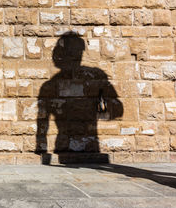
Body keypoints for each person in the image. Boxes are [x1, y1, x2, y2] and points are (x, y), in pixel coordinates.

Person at [35, 32, 123, 164]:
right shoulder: (95, 76)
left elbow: (117, 110)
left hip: (73, 147)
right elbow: (116, 110)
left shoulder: (50, 85)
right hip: (83, 146)